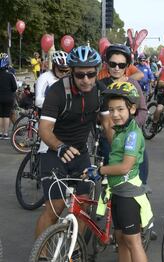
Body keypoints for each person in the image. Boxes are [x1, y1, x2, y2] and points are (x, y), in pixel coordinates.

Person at [35, 46, 112, 238]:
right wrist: (60, 146)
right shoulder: (57, 91)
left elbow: (109, 125)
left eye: (90, 74)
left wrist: (122, 152)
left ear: (97, 71)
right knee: (55, 207)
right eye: (80, 75)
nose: (85, 79)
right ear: (72, 71)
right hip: (54, 151)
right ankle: (41, 257)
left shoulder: (101, 92)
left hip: (80, 153)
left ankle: (75, 251)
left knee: (83, 204)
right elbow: (44, 128)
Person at [98, 81, 153, 262]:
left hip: (128, 192)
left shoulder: (132, 134)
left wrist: (101, 170)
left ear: (132, 109)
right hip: (118, 191)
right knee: (120, 238)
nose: (115, 114)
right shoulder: (120, 130)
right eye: (111, 110)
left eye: (120, 109)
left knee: (132, 240)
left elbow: (124, 167)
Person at [100, 44, 149, 185]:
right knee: (112, 182)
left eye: (121, 65)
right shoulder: (100, 85)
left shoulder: (133, 83)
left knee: (140, 179)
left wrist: (131, 126)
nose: (116, 68)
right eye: (113, 64)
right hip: (109, 138)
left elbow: (143, 110)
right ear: (107, 64)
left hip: (131, 137)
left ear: (127, 66)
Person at [0, 53, 17, 139]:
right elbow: (15, 87)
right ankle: (5, 133)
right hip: (8, 97)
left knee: (0, 115)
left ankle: (0, 132)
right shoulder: (10, 75)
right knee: (6, 115)